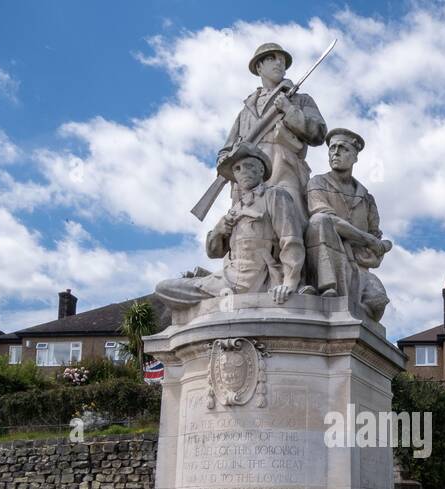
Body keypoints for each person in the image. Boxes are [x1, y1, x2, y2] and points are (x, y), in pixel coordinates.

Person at [155, 143, 305, 310]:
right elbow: (214, 253)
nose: (242, 172)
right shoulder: (235, 209)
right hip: (228, 278)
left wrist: (290, 282)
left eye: (248, 166)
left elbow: (290, 239)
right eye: (237, 169)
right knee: (164, 288)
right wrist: (218, 231)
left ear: (261, 170)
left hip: (258, 277)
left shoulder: (275, 196)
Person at [219, 42, 327, 217]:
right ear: (259, 67)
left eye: (282, 60)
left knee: (292, 222)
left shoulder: (300, 100)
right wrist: (227, 162)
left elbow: (319, 133)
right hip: (247, 174)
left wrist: (289, 110)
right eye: (271, 59)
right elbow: (226, 150)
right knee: (248, 230)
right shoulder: (246, 109)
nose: (279, 63)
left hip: (284, 166)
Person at [305, 127, 392, 322]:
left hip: (358, 267)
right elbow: (328, 220)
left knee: (378, 302)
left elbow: (375, 246)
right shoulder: (317, 183)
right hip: (325, 261)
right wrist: (367, 239)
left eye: (342, 148)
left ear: (355, 156)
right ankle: (328, 289)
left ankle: (352, 307)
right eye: (332, 148)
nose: (335, 153)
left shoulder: (366, 197)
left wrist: (378, 246)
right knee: (320, 221)